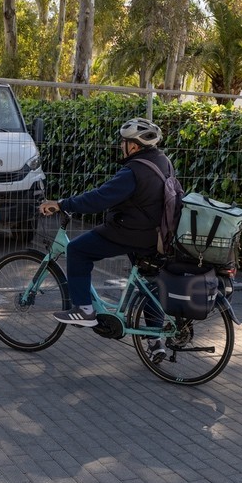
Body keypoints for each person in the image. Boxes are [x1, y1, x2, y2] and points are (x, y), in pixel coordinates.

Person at [38, 117, 173, 361]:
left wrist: (62, 204)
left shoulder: (133, 171)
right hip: (156, 235)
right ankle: (155, 340)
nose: (120, 146)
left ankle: (84, 310)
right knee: (148, 281)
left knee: (78, 251)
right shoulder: (163, 161)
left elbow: (100, 198)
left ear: (134, 145)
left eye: (124, 142)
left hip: (130, 232)